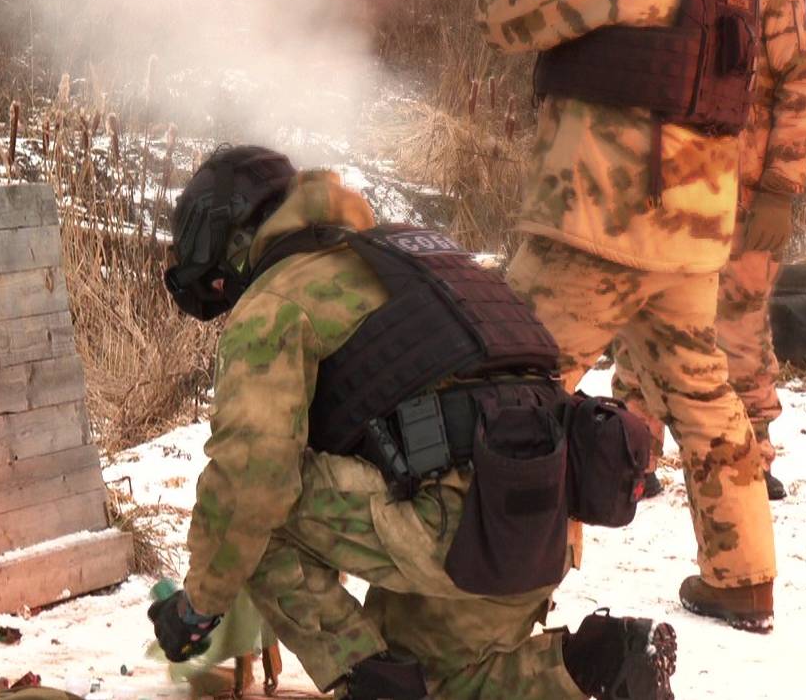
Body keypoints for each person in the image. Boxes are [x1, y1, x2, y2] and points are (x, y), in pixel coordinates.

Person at [149, 145, 678, 700]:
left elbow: (249, 481)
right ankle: (602, 662)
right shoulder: (411, 254)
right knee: (442, 678)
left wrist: (197, 607)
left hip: (451, 524)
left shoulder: (278, 298)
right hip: (540, 517)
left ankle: (371, 685)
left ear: (234, 245)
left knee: (258, 516)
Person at [477, 0, 778, 632]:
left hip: (597, 225)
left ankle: (500, 584)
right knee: (705, 399)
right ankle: (742, 573)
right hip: (689, 233)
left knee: (512, 394)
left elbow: (502, 14)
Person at [612, 0, 806, 503]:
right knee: (645, 316)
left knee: (736, 322)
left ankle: (751, 458)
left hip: (745, 194)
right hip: (677, 182)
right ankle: (630, 451)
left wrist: (778, 192)